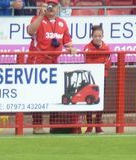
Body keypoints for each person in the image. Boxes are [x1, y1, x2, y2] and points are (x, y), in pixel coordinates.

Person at [26, 0, 75, 133]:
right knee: (37, 94)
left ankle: (54, 124)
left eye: (54, 5)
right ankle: (37, 124)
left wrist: (71, 48)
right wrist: (41, 15)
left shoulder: (62, 23)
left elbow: (67, 43)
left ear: (58, 7)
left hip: (54, 63)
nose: (51, 8)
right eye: (49, 5)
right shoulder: (38, 19)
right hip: (38, 61)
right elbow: (30, 31)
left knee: (56, 93)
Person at [83, 24, 111, 134]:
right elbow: (88, 62)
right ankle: (89, 126)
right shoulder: (87, 47)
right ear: (92, 36)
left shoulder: (107, 47)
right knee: (89, 101)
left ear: (102, 36)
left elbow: (108, 63)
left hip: (103, 77)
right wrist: (99, 61)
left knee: (101, 102)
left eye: (100, 36)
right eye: (95, 36)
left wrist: (97, 61)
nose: (98, 38)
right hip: (91, 79)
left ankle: (98, 125)